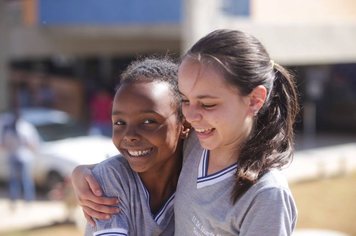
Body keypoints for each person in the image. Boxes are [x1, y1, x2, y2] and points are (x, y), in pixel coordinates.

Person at [72, 29, 299, 235]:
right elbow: (141, 153)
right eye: (185, 100)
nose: (191, 115)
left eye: (208, 104)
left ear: (255, 100)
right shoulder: (197, 144)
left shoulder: (266, 195)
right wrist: (83, 174)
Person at [81, 57, 190, 235]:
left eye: (148, 121)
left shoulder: (197, 169)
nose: (130, 136)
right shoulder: (111, 179)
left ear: (185, 125)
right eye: (119, 122)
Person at [0, 109, 39, 206]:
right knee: (24, 180)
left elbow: (3, 144)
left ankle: (16, 200)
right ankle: (27, 200)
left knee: (16, 180)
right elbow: (32, 143)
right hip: (23, 156)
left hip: (15, 156)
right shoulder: (25, 127)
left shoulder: (9, 129)